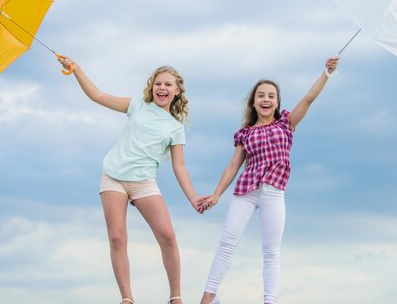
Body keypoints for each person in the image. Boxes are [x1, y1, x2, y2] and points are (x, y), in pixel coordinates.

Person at [58, 56, 206, 304]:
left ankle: (176, 297)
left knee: (167, 236)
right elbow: (96, 95)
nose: (162, 88)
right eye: (158, 83)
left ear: (177, 91)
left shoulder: (174, 128)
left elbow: (179, 167)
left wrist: (192, 198)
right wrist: (77, 70)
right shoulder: (137, 106)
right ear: (152, 87)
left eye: (168, 85)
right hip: (114, 177)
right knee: (117, 237)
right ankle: (127, 298)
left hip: (144, 182)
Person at [199, 56, 340, 304]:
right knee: (227, 242)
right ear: (253, 102)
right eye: (261, 95)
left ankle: (270, 300)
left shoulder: (286, 123)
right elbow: (234, 165)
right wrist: (216, 194)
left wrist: (326, 73)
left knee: (271, 251)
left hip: (274, 193)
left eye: (271, 96)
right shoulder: (246, 133)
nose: (266, 99)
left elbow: (309, 97)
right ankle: (209, 297)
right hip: (246, 190)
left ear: (277, 103)